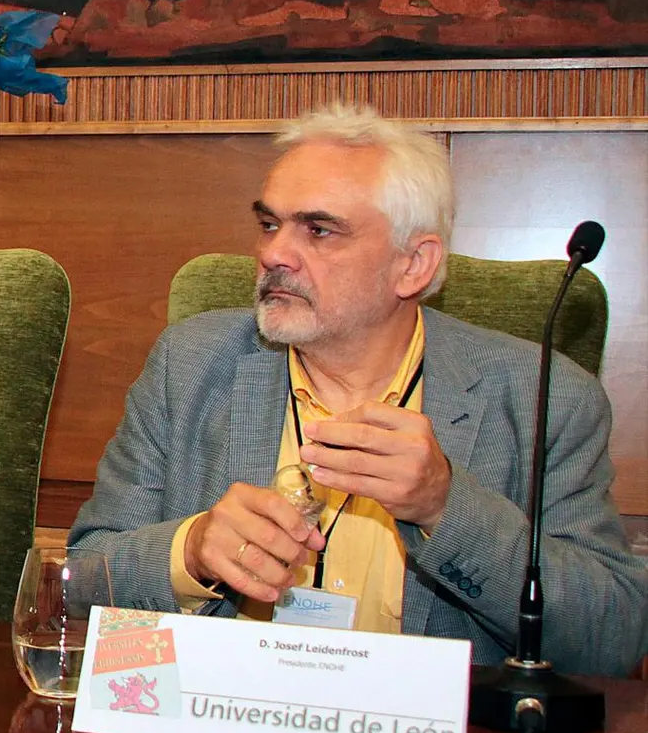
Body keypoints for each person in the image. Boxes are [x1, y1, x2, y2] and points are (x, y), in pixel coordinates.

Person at [72, 103, 647, 676]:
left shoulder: (541, 397)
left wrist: (446, 509)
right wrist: (191, 550)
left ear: (414, 266)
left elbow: (612, 637)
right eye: (270, 224)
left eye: (318, 230)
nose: (272, 254)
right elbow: (79, 583)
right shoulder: (191, 364)